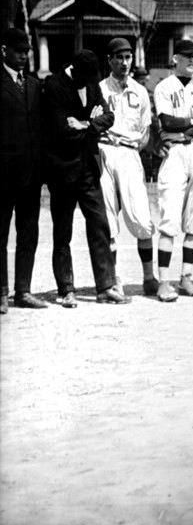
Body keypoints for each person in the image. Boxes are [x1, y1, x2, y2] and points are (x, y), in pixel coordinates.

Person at [42, 49, 125, 305]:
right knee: (63, 231)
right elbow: (61, 130)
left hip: (88, 167)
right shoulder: (54, 85)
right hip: (62, 169)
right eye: (85, 79)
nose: (90, 84)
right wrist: (88, 124)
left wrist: (87, 124)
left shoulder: (90, 81)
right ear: (73, 70)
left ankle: (105, 286)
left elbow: (109, 117)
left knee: (100, 223)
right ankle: (66, 289)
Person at [153, 39, 193, 301]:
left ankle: (186, 278)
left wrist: (185, 127)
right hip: (176, 153)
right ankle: (164, 281)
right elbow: (166, 121)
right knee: (169, 218)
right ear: (175, 59)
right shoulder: (163, 87)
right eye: (187, 56)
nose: (192, 61)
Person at [98, 37, 158, 296]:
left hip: (130, 153)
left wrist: (135, 146)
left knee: (142, 219)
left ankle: (149, 277)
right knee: (108, 219)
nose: (124, 62)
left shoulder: (140, 91)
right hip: (105, 152)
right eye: (119, 57)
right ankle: (113, 279)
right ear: (109, 59)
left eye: (128, 57)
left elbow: (145, 132)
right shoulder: (99, 88)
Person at [1, 27, 50, 313]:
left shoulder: (33, 85)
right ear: (4, 51)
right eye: (18, 51)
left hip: (31, 176)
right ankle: (1, 292)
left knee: (28, 233)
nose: (23, 57)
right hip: (3, 176)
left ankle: (23, 290)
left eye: (26, 52)